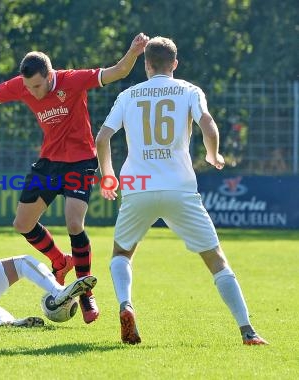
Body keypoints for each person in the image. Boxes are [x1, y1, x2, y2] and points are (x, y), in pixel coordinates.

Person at [0, 33, 149, 324]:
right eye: (28, 86)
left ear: (49, 75)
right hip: (48, 164)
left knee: (74, 222)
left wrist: (134, 51)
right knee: (22, 224)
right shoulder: (21, 86)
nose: (32, 92)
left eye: (37, 85)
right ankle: (60, 261)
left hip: (81, 161)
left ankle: (85, 294)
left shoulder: (73, 80)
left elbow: (118, 71)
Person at [95, 36, 268, 345]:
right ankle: (247, 330)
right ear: (174, 64)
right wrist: (212, 154)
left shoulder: (129, 95)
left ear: (146, 65)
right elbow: (207, 122)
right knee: (216, 260)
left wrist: (108, 175)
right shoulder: (189, 90)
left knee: (121, 253)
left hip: (138, 185)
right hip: (179, 186)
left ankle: (126, 305)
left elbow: (103, 137)